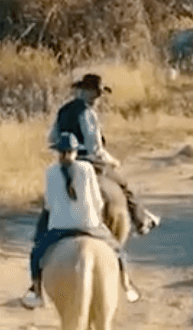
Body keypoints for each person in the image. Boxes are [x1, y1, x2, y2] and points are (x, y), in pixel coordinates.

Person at [22, 73, 156, 309]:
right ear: (85, 91)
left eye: (98, 93)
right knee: (123, 186)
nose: (97, 97)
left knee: (42, 229)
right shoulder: (88, 113)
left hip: (64, 172)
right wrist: (112, 161)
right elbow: (95, 148)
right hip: (92, 162)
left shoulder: (63, 111)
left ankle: (35, 284)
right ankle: (140, 221)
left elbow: (52, 137)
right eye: (96, 92)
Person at [24, 133, 126, 307]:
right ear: (76, 152)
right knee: (118, 250)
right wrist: (95, 218)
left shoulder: (50, 171)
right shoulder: (87, 168)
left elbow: (49, 204)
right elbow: (98, 201)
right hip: (88, 225)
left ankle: (37, 292)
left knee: (36, 254)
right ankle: (126, 285)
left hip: (59, 228)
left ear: (58, 152)